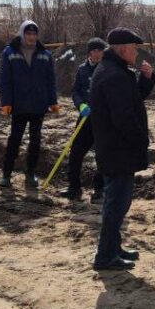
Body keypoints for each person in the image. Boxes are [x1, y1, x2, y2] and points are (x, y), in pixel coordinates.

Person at [90, 27, 155, 271]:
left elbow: (133, 99)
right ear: (123, 49)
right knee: (116, 205)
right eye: (135, 48)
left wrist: (146, 80)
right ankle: (105, 256)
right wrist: (141, 140)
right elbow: (124, 117)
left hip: (115, 150)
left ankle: (112, 248)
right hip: (118, 151)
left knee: (116, 203)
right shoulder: (114, 75)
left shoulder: (115, 71)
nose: (137, 53)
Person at [0, 20, 58, 189]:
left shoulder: (45, 54)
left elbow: (50, 81)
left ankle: (30, 173)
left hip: (39, 106)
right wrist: (6, 102)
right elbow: (5, 81)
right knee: (15, 140)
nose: (31, 37)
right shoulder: (10, 53)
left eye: (34, 34)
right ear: (22, 34)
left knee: (35, 141)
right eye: (28, 34)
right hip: (19, 105)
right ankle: (6, 174)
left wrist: (53, 101)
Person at [59, 37, 107, 203]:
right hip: (85, 118)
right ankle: (74, 188)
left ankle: (98, 190)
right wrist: (80, 105)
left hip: (102, 120)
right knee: (76, 153)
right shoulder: (82, 70)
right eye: (95, 51)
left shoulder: (107, 69)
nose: (98, 54)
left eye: (101, 51)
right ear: (89, 53)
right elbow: (76, 91)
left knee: (103, 155)